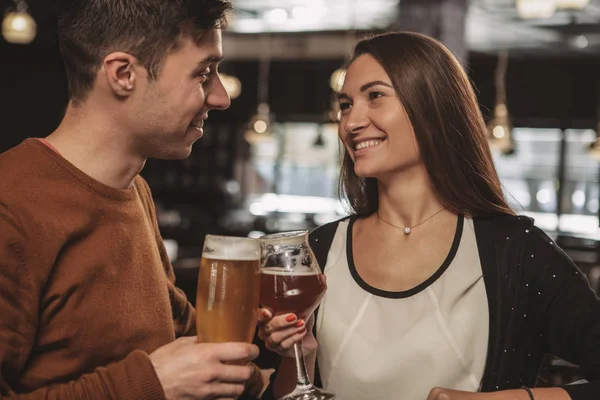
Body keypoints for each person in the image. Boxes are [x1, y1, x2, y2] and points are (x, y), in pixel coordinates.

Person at [257, 32, 600, 400]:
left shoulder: (513, 250)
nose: (351, 122)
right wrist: (301, 354)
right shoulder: (320, 250)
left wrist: (516, 399)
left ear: (433, 109)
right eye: (345, 104)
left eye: (375, 96)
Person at [0, 0, 265, 398]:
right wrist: (151, 384)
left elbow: (174, 327)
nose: (221, 97)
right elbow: (158, 375)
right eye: (204, 73)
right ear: (123, 74)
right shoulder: (12, 206)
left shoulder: (134, 190)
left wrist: (267, 356)